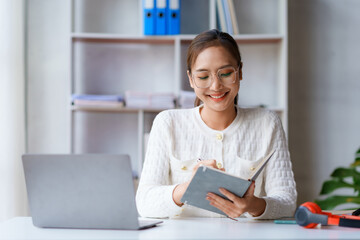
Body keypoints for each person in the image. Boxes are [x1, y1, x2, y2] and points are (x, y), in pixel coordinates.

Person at [136, 29, 297, 219]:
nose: (215, 86)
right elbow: (144, 203)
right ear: (191, 79)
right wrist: (187, 188)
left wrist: (253, 206)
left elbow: (287, 202)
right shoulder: (168, 123)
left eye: (226, 73)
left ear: (240, 72)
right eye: (203, 77)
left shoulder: (267, 123)